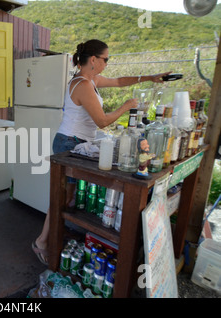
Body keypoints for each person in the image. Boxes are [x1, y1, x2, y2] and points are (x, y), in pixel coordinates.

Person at [32, 39, 171, 265]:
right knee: (62, 199)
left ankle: (52, 238)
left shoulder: (91, 79)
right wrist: (126, 107)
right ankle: (42, 242)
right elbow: (102, 121)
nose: (107, 63)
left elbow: (118, 81)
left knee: (66, 198)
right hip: (69, 145)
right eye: (106, 59)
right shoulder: (83, 85)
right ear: (94, 60)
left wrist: (150, 77)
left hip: (74, 143)